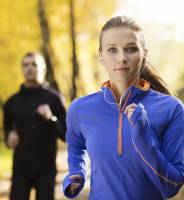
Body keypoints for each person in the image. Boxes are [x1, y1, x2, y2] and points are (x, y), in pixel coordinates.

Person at [63, 16, 184, 200]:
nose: (121, 58)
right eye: (112, 50)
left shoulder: (172, 109)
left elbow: (172, 187)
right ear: (100, 55)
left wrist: (144, 141)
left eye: (131, 49)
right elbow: (76, 145)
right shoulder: (80, 109)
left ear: (144, 55)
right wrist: (76, 172)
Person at [3, 52, 66, 200]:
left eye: (34, 64)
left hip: (46, 169)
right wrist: (8, 137)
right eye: (25, 65)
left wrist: (51, 118)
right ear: (22, 69)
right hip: (20, 169)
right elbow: (6, 130)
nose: (29, 68)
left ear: (43, 69)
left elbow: (65, 134)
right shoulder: (12, 102)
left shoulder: (54, 99)